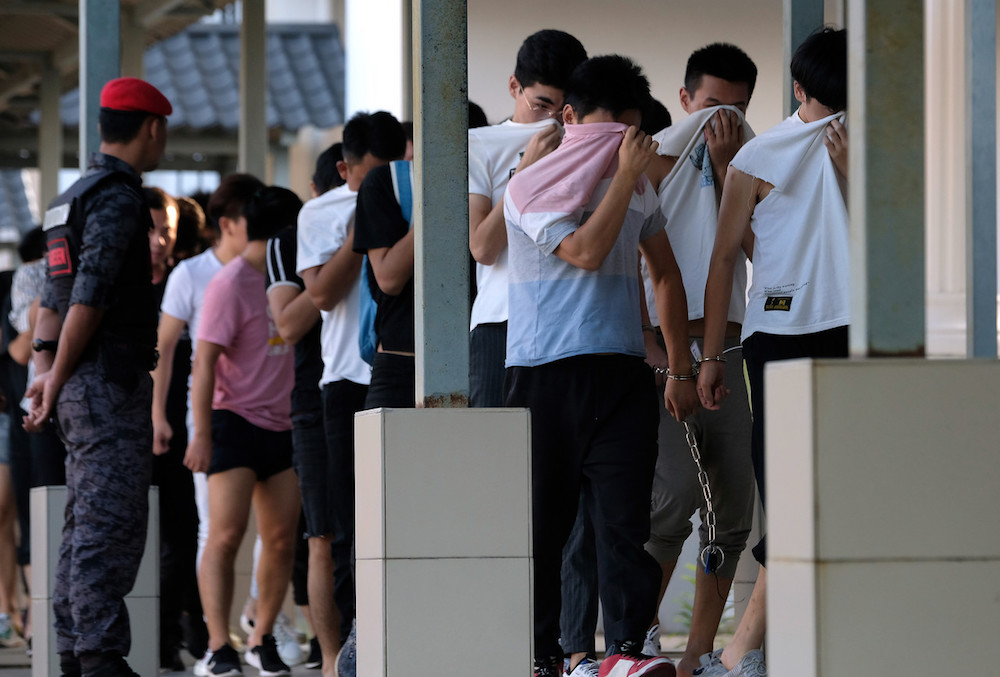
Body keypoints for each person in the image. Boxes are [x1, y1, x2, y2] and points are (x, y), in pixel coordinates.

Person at [502, 55, 699, 677]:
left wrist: (680, 367)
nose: (624, 146)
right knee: (543, 530)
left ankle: (625, 652)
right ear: (569, 118)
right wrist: (625, 175)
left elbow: (665, 274)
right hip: (544, 373)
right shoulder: (527, 186)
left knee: (624, 523)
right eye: (612, 130)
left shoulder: (637, 183)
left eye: (634, 135)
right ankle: (539, 657)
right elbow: (584, 252)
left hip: (620, 370)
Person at [694, 28, 848, 677]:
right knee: (784, 486)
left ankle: (751, 650)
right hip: (780, 333)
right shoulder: (761, 156)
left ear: (795, 85)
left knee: (831, 486)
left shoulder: (857, 146)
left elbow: (729, 256)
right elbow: (726, 254)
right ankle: (745, 651)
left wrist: (851, 168)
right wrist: (709, 357)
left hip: (845, 326)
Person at [23, 76, 171, 677]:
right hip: (106, 380)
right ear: (153, 128)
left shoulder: (69, 199)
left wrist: (43, 370)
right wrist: (53, 379)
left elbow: (52, 300)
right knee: (109, 525)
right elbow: (90, 293)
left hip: (80, 383)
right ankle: (99, 658)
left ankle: (77, 652)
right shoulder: (117, 198)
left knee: (85, 520)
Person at [638, 44, 759, 677]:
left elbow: (740, 255)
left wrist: (729, 166)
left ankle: (696, 658)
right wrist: (662, 354)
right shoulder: (651, 158)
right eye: (713, 107)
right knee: (670, 501)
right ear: (685, 100)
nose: (724, 122)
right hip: (661, 349)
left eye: (738, 109)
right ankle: (635, 645)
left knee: (732, 508)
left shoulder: (750, 158)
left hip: (728, 347)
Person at [296, 114, 405, 677]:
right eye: (372, 177)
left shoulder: (416, 189)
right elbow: (318, 293)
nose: (385, 183)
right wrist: (365, 227)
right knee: (345, 530)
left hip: (404, 371)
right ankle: (342, 656)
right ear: (344, 169)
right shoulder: (319, 212)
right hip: (345, 380)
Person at [184, 185, 301, 677]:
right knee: (225, 535)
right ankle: (218, 646)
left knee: (279, 539)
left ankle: (261, 637)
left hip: (286, 423)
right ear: (281, 233)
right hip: (233, 422)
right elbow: (204, 363)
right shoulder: (229, 284)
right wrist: (202, 433)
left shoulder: (292, 277)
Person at [468, 28, 587, 409]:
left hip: (570, 316)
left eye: (563, 107)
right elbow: (483, 247)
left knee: (558, 460)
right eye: (541, 104)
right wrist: (528, 170)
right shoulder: (480, 144)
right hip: (500, 317)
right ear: (514, 86)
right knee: (494, 454)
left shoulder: (587, 140)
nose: (552, 118)